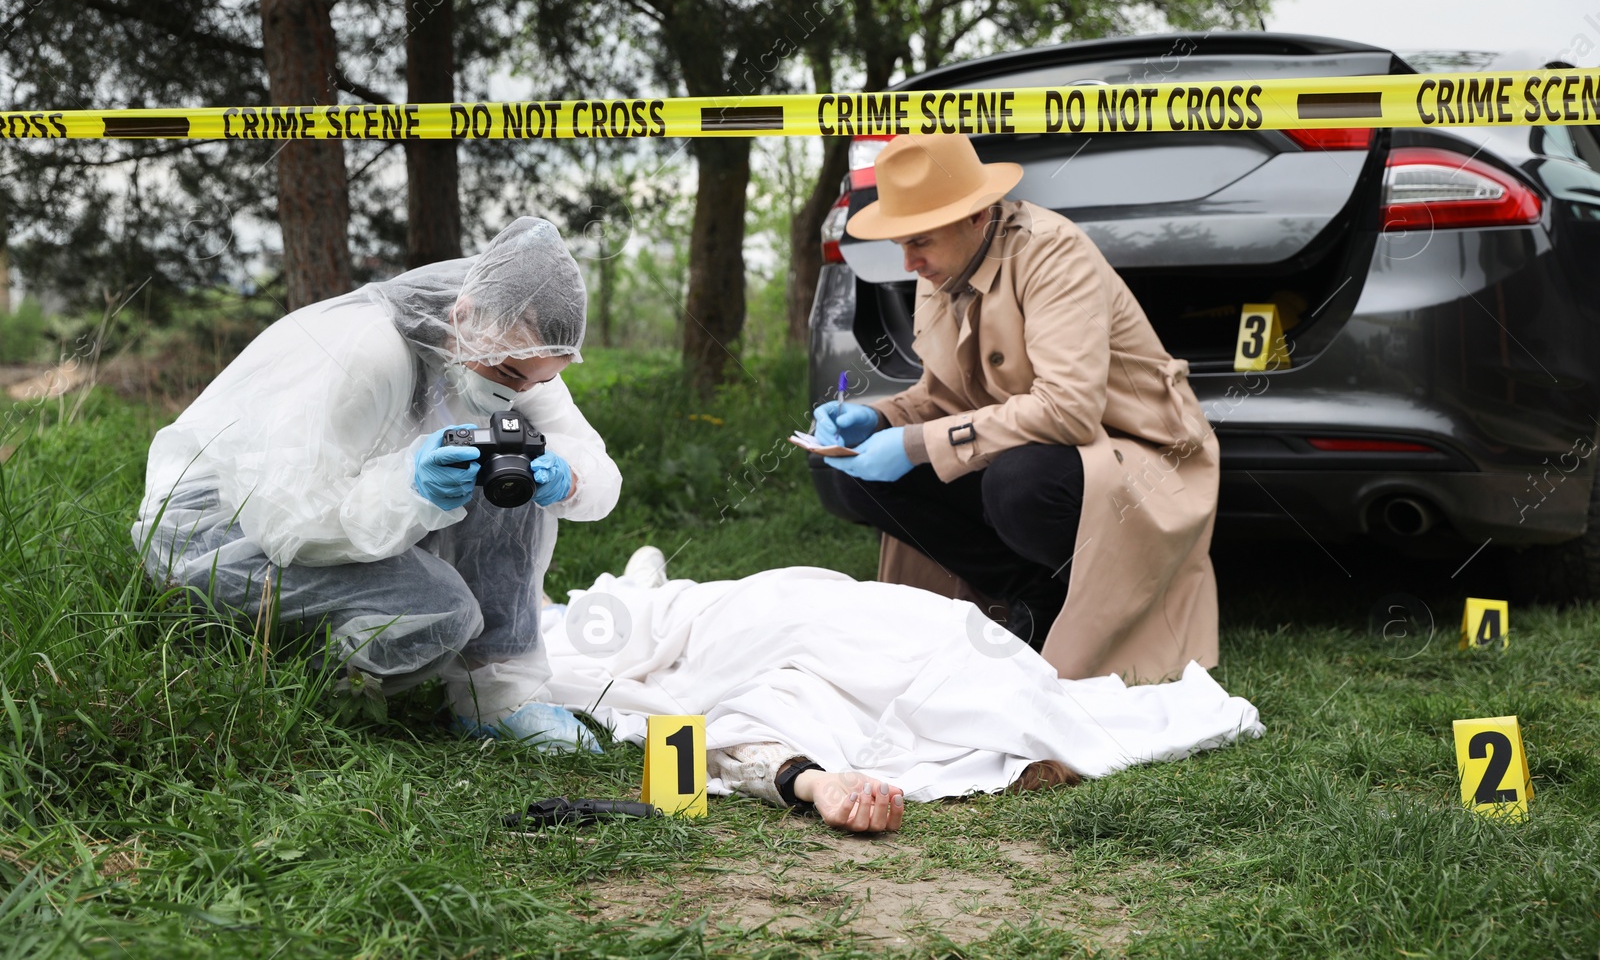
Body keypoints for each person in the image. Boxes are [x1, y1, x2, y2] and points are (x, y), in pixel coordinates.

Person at [132, 216, 621, 750]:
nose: (520, 392)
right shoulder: (371, 354)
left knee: (519, 465)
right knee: (441, 609)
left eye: (540, 380)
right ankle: (295, 682)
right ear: (465, 315)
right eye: (507, 375)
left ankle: (494, 696)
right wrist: (411, 489)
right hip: (221, 529)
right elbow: (288, 524)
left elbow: (594, 462)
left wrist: (567, 478)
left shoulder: (515, 355)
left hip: (335, 515)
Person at [814, 134, 1220, 683]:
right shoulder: (942, 264)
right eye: (901, 244)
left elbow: (1070, 410)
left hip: (1132, 455)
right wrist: (880, 418)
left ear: (977, 215)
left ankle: (1073, 603)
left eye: (920, 242)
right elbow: (944, 397)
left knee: (1018, 482)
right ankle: (1026, 595)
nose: (908, 263)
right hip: (1026, 446)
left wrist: (914, 444)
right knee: (841, 466)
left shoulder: (1052, 251)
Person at [515, 545, 1263, 834]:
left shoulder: (818, 710)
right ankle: (635, 591)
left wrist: (814, 784)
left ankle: (637, 590)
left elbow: (720, 733)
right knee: (617, 635)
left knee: (606, 661)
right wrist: (816, 782)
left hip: (768, 618)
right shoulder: (957, 656)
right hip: (783, 607)